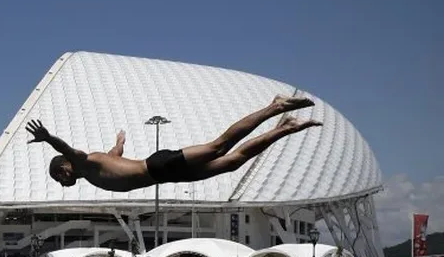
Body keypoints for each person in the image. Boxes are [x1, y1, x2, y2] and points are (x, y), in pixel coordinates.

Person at [26, 95, 322, 192]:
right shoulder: (92, 170)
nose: (61, 181)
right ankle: (284, 129)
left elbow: (65, 149)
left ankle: (275, 107)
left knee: (219, 147)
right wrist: (119, 142)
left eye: (58, 175)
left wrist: (48, 138)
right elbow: (114, 156)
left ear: (65, 167)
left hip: (158, 164)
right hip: (166, 176)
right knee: (233, 163)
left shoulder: (82, 162)